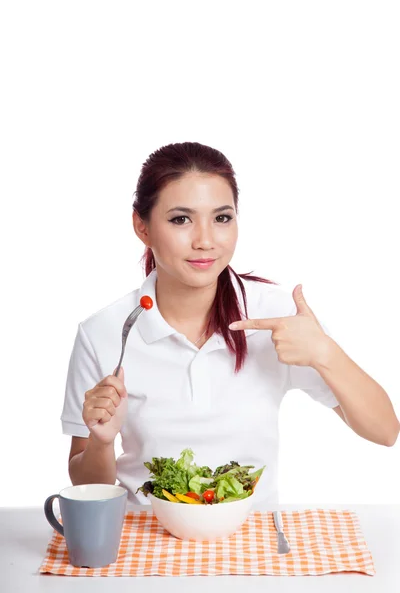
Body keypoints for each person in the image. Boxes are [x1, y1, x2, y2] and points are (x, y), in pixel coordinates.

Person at [61, 141, 399, 506]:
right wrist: (101, 441)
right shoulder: (104, 331)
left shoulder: (274, 314)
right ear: (141, 227)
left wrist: (324, 353)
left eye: (222, 218)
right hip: (146, 536)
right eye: (180, 219)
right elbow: (86, 485)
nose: (205, 241)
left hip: (252, 535)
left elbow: (385, 431)